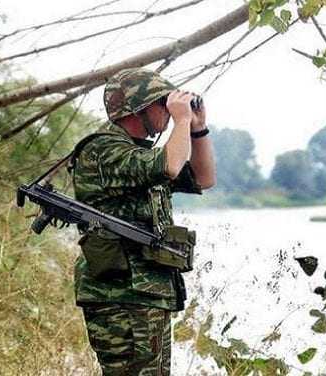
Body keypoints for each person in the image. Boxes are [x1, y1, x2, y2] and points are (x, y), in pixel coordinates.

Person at [71, 68, 215, 375]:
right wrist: (181, 120)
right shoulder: (103, 150)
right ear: (137, 107)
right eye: (162, 103)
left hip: (145, 293)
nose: (169, 109)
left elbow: (204, 178)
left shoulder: (139, 155)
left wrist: (198, 130)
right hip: (121, 296)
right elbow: (172, 165)